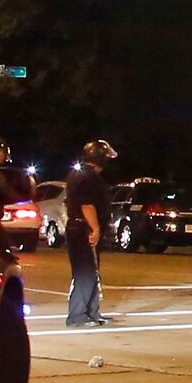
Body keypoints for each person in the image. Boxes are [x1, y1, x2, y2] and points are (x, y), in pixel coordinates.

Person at [63, 138, 119, 328]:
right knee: (85, 273)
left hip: (77, 228)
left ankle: (92, 312)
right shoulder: (90, 178)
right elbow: (87, 205)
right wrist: (95, 228)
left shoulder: (77, 175)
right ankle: (77, 316)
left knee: (91, 272)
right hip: (83, 229)